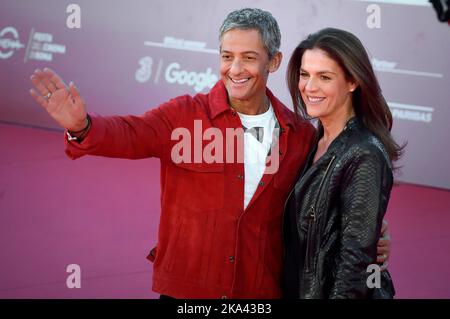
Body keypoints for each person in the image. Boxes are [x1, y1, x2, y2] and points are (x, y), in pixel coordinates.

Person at [29, 8, 390, 299]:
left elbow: (317, 203)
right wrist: (82, 126)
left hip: (260, 293)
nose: (235, 69)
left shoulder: (298, 134)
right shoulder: (183, 115)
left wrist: (366, 231)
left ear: (274, 61)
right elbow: (129, 134)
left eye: (249, 57)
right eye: (227, 56)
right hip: (188, 292)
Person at [283, 28, 403, 299]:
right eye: (305, 74)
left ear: (352, 82)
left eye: (324, 77)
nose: (309, 87)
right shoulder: (312, 140)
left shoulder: (364, 153)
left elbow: (355, 263)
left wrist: (370, 240)